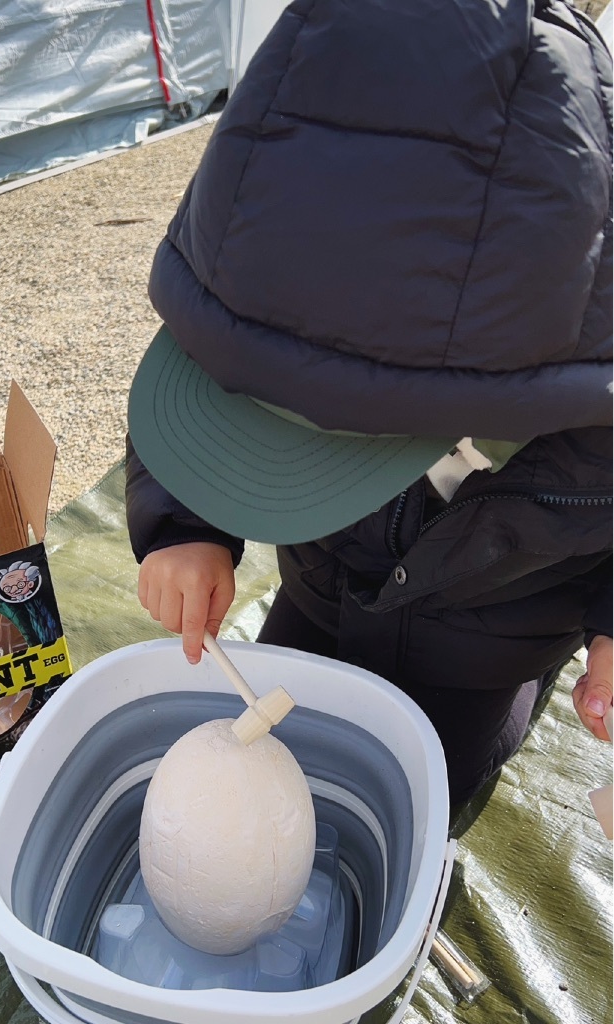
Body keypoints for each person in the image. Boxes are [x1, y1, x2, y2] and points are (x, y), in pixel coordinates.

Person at [124, 0, 613, 806]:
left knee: (428, 790)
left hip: (489, 644)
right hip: (325, 593)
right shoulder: (254, 257)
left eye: (347, 433)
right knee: (261, 767)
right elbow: (200, 376)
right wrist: (185, 527)